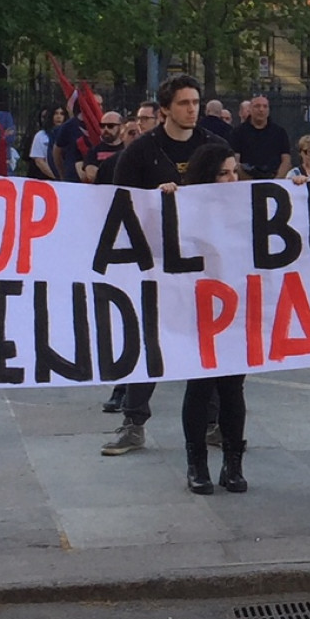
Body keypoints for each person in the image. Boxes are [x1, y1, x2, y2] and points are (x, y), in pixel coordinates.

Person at [100, 75, 223, 454]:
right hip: (155, 263)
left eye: (196, 102)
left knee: (210, 340)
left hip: (204, 261)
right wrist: (155, 202)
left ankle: (214, 422)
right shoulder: (140, 152)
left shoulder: (214, 146)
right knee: (149, 340)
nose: (192, 109)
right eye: (184, 103)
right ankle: (134, 421)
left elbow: (237, 192)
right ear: (165, 109)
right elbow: (121, 204)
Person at [174, 144, 251, 496]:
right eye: (223, 172)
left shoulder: (251, 205)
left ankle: (233, 464)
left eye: (234, 171)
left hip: (236, 308)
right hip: (199, 309)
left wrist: (298, 192)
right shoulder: (187, 207)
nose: (231, 178)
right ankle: (197, 464)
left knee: (233, 388)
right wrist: (167, 202)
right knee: (200, 387)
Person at [228, 95, 292, 180]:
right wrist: (251, 181)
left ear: (269, 110)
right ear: (250, 109)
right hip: (247, 183)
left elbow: (286, 160)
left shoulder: (279, 132)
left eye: (265, 106)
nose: (261, 109)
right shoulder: (237, 132)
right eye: (257, 106)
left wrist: (277, 180)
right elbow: (234, 161)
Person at [76, 112, 128, 183]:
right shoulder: (94, 151)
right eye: (102, 126)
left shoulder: (128, 149)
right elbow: (91, 174)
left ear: (122, 127)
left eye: (110, 126)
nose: (105, 129)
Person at [30, 105, 65, 179]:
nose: (59, 117)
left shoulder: (69, 134)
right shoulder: (41, 135)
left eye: (62, 114)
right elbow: (39, 161)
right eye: (56, 113)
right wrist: (56, 177)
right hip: (45, 178)